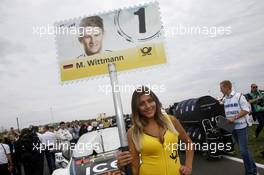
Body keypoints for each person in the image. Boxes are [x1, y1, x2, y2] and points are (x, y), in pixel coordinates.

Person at [117, 86, 194, 175]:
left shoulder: (171, 121)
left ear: (155, 101)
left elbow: (188, 143)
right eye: (142, 104)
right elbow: (135, 168)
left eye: (150, 101)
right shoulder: (133, 132)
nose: (148, 106)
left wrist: (188, 166)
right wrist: (122, 167)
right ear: (136, 108)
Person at [220, 80, 257, 175]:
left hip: (241, 126)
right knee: (244, 150)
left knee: (243, 150)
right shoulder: (225, 99)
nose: (220, 90)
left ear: (227, 87)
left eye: (221, 88)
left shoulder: (239, 96)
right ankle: (253, 169)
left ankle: (250, 172)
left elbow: (246, 110)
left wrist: (234, 117)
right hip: (232, 127)